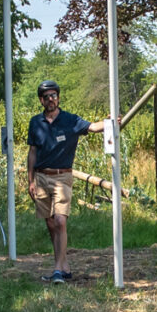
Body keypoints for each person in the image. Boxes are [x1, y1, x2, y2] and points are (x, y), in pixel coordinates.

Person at [24, 80, 108, 283]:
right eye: (46, 97)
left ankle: (57, 270)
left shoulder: (70, 120)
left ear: (58, 98)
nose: (50, 100)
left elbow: (92, 127)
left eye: (53, 95)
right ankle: (64, 267)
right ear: (41, 100)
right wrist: (30, 180)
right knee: (51, 224)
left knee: (61, 220)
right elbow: (32, 152)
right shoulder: (36, 123)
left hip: (62, 177)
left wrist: (110, 123)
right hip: (41, 176)